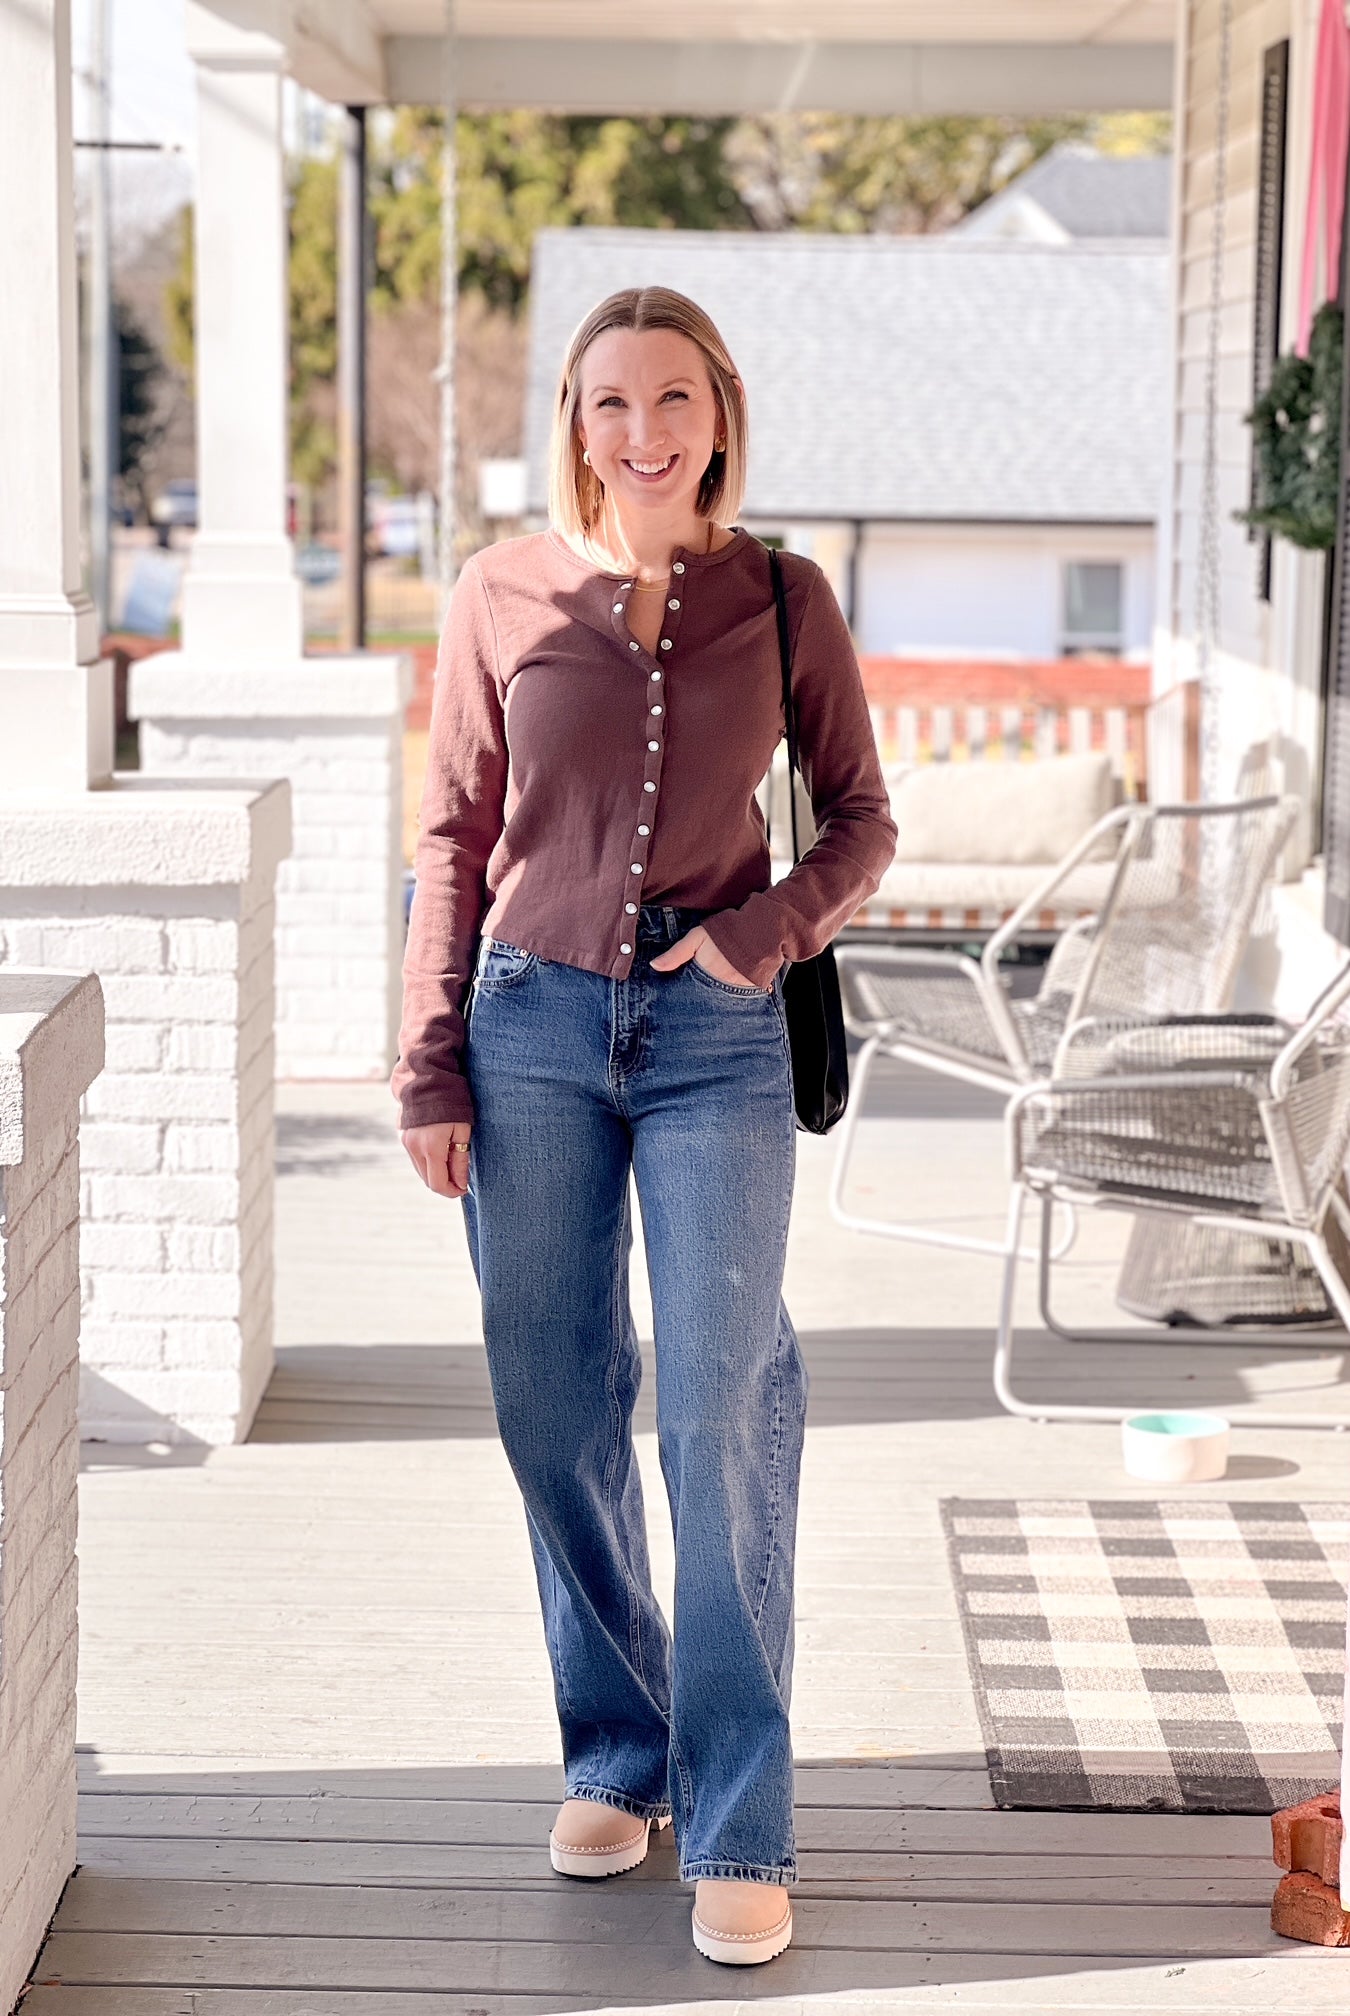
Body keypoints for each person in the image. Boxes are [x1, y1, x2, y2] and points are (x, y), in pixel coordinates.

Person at [394, 286, 897, 1966]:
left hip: (714, 1041)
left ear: (717, 414)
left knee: (717, 1406)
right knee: (552, 1402)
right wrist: (427, 1060)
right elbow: (452, 837)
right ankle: (619, 1750)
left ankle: (739, 1815)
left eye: (671, 397)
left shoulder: (784, 596)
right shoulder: (498, 592)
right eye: (610, 401)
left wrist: (760, 937)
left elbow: (860, 819)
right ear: (576, 423)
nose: (642, 431)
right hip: (527, 1029)